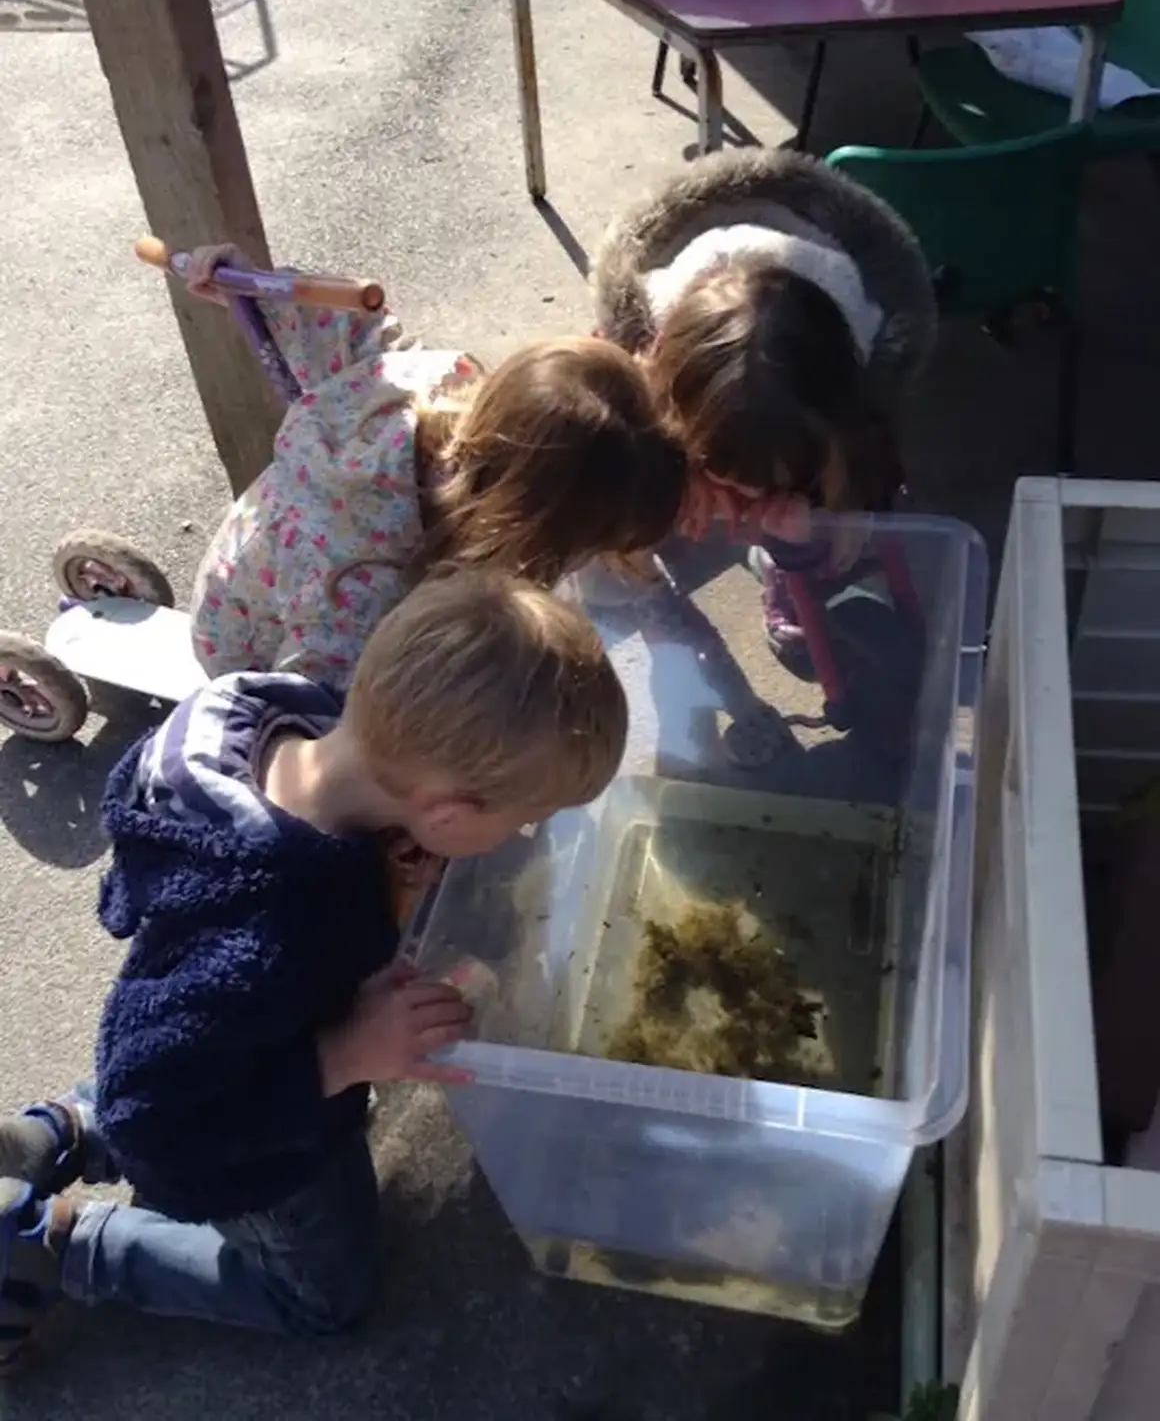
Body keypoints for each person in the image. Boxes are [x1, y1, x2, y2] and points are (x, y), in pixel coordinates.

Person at [0, 569, 628, 1371]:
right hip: (249, 1139)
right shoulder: (280, 922)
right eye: (525, 819)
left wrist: (387, 871)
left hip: (205, 1040)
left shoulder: (281, 717)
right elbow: (161, 1103)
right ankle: (54, 1245)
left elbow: (200, 1022)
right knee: (324, 1297)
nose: (526, 833)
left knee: (188, 1060)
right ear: (448, 814)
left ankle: (67, 1131)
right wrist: (346, 1055)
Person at [185, 245, 687, 689]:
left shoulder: (442, 393)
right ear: (533, 531)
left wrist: (261, 295)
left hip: (262, 561)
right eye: (591, 546)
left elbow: (342, 325)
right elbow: (310, 708)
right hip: (247, 642)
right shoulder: (360, 595)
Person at [589, 147, 937, 649]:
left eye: (772, 482)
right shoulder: (633, 370)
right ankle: (651, 612)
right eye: (714, 463)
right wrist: (665, 480)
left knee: (843, 532)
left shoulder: (849, 406)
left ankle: (782, 569)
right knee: (610, 522)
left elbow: (858, 493)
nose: (743, 496)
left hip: (804, 427)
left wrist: (801, 540)